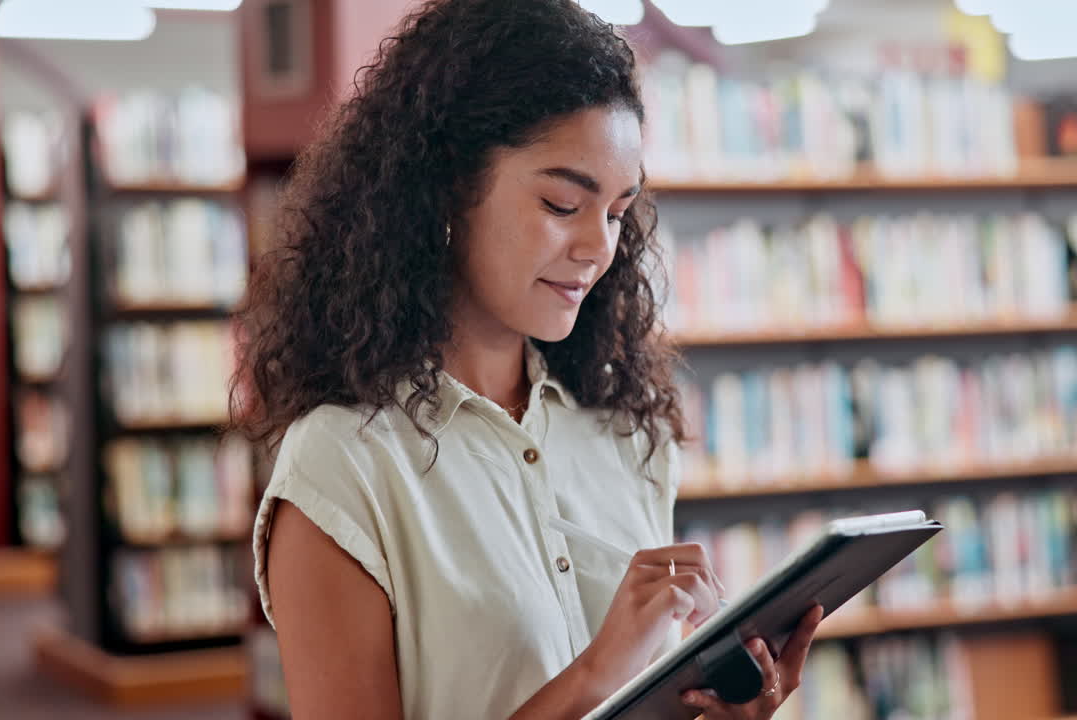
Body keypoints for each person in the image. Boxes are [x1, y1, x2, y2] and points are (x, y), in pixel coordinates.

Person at [232, 1, 824, 718]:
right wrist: (592, 677)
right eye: (562, 203)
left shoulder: (627, 436)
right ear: (448, 186)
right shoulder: (342, 465)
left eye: (616, 212)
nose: (599, 248)